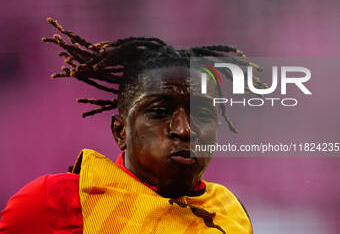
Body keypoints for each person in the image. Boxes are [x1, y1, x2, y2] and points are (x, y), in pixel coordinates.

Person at [0, 18, 265, 234]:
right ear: (120, 131)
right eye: (160, 112)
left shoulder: (231, 213)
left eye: (202, 114)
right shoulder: (55, 202)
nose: (185, 130)